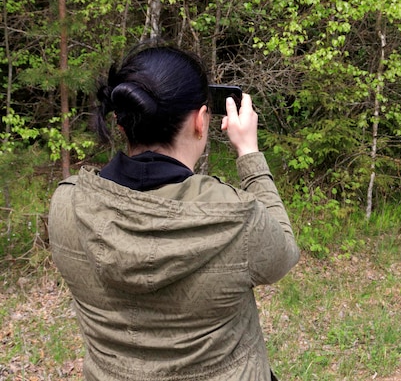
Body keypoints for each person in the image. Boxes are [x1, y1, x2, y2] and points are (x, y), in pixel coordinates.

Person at [48, 44, 300, 381]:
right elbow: (283, 253)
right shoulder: (237, 217)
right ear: (200, 121)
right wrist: (249, 154)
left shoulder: (68, 203)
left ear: (121, 123)